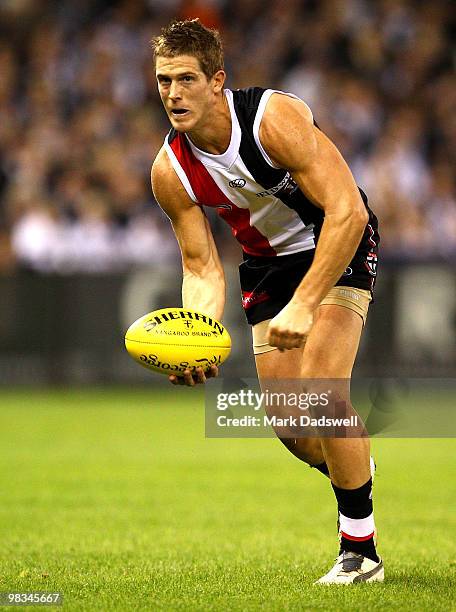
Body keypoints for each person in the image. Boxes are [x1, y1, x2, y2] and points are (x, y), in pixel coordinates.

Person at [151, 18, 383, 584]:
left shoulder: (270, 119)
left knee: (324, 393)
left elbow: (347, 210)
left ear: (216, 81)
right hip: (269, 266)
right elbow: (201, 265)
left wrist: (306, 303)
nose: (173, 93)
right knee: (296, 430)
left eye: (186, 79)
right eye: (163, 81)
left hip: (335, 240)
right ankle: (354, 462)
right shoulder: (169, 170)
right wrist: (195, 335)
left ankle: (361, 553)